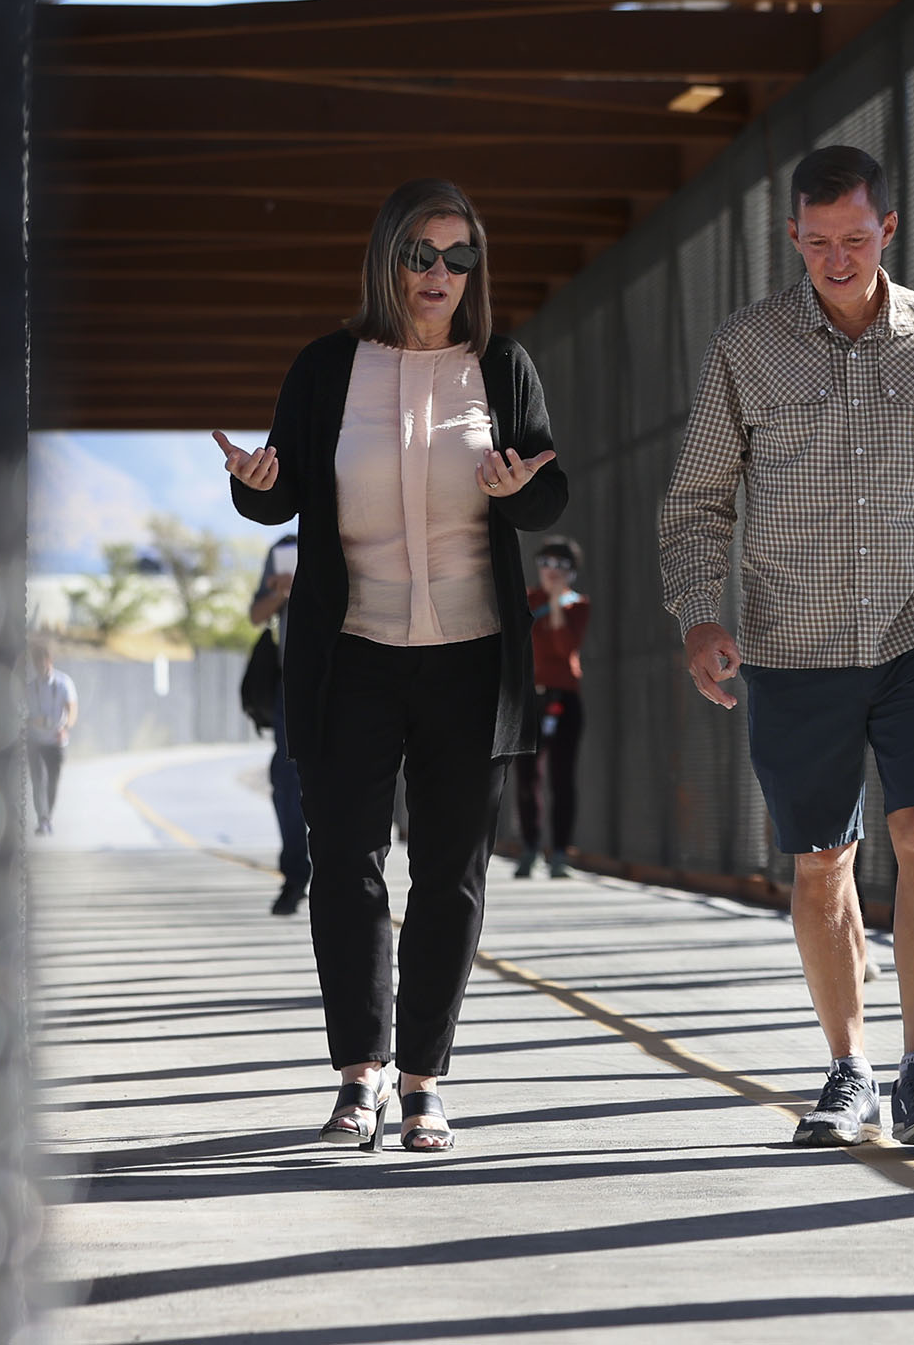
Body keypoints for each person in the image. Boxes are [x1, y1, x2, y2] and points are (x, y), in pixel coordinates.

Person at [660, 145, 914, 1149]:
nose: (836, 256)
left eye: (855, 238)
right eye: (818, 240)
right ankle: (847, 1067)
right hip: (795, 643)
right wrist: (700, 612)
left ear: (889, 230)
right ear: (794, 235)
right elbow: (699, 500)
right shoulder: (747, 346)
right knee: (823, 860)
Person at [216, 177, 567, 1154]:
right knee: (347, 866)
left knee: (450, 871)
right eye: (424, 254)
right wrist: (253, 482)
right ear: (389, 258)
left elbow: (547, 493)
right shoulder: (329, 367)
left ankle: (424, 1081)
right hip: (352, 653)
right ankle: (358, 1073)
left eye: (461, 257)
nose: (442, 274)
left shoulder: (502, 366)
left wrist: (512, 485)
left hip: (469, 656)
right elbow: (275, 494)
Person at [515, 536, 590, 880]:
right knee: (527, 776)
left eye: (561, 566)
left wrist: (558, 605)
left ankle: (560, 852)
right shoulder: (526, 601)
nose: (552, 571)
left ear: (572, 573)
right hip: (531, 696)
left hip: (565, 696)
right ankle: (530, 848)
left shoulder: (579, 605)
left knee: (563, 777)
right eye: (546, 563)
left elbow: (565, 646)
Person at [243, 533, 308, 915]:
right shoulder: (285, 549)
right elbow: (255, 615)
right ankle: (296, 875)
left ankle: (346, 876)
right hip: (291, 684)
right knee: (286, 782)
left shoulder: (356, 532)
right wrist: (283, 592)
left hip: (348, 680)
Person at [27, 644, 78, 833]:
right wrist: (33, 721)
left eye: (42, 661)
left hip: (56, 741)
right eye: (36, 662)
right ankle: (42, 818)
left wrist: (65, 727)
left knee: (52, 781)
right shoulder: (30, 688)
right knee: (37, 780)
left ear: (49, 661)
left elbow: (72, 709)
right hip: (35, 741)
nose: (40, 666)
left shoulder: (64, 683)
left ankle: (48, 815)